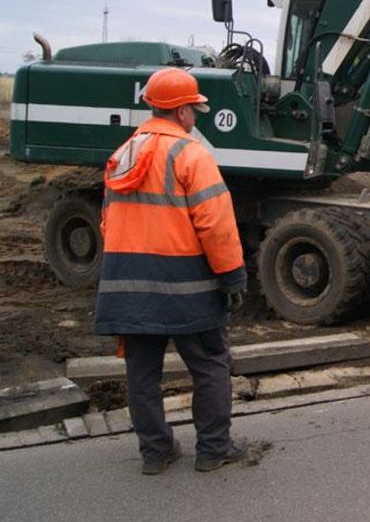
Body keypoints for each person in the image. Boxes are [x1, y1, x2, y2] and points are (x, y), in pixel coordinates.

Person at [94, 67, 248, 475]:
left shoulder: (123, 153)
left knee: (142, 374)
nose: (195, 117)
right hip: (186, 285)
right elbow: (215, 224)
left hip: (127, 283)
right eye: (194, 109)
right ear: (180, 111)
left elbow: (107, 221)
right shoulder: (191, 154)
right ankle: (214, 449)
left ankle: (156, 452)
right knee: (211, 363)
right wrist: (232, 275)